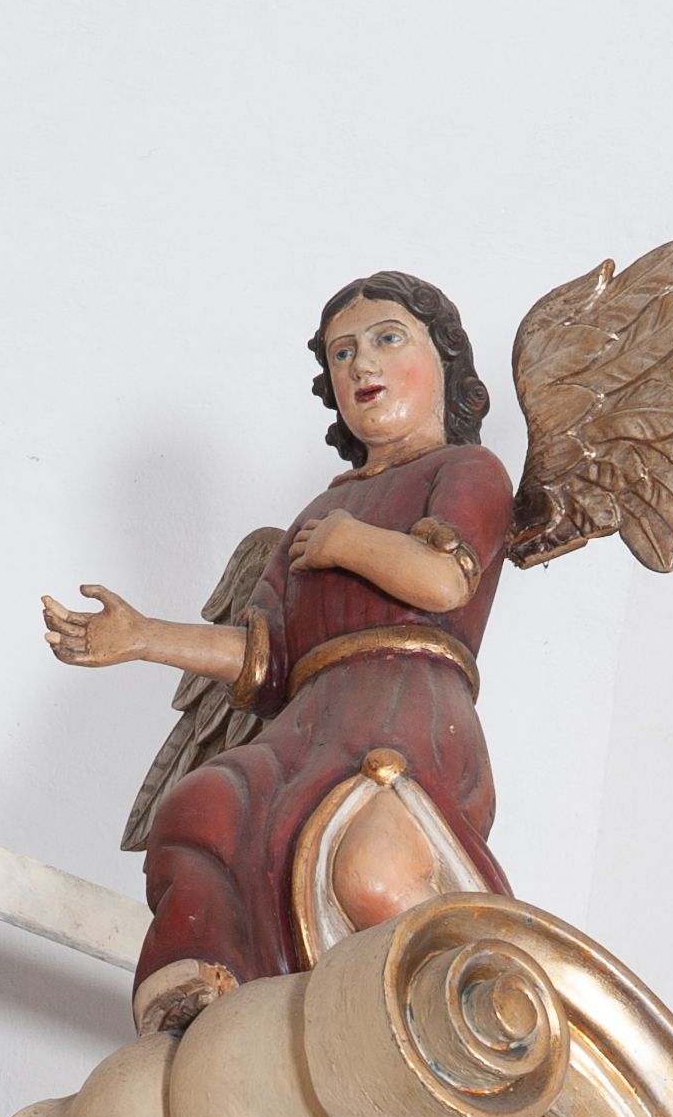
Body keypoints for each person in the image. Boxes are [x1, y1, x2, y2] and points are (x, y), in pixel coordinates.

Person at [43, 274, 513, 1034]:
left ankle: (472, 999)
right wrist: (141, 637)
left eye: (388, 339)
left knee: (373, 875)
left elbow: (440, 579)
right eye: (342, 353)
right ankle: (202, 988)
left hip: (408, 705)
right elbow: (263, 660)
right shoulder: (319, 511)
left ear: (447, 362)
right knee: (200, 805)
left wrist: (350, 543)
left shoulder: (466, 472)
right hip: (309, 718)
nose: (362, 364)